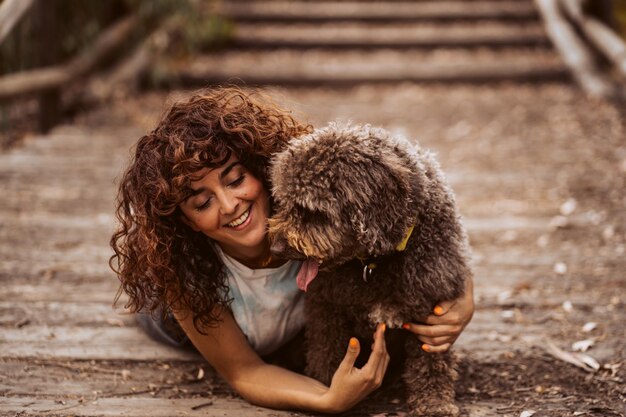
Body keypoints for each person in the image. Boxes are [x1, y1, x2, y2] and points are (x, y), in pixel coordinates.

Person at [109, 86, 474, 413]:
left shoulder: (307, 190)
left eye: (235, 180)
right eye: (202, 203)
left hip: (303, 332)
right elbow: (246, 371)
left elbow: (416, 206)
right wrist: (326, 400)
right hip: (182, 322)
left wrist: (464, 296)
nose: (229, 205)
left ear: (258, 166)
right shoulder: (184, 275)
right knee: (151, 310)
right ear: (187, 221)